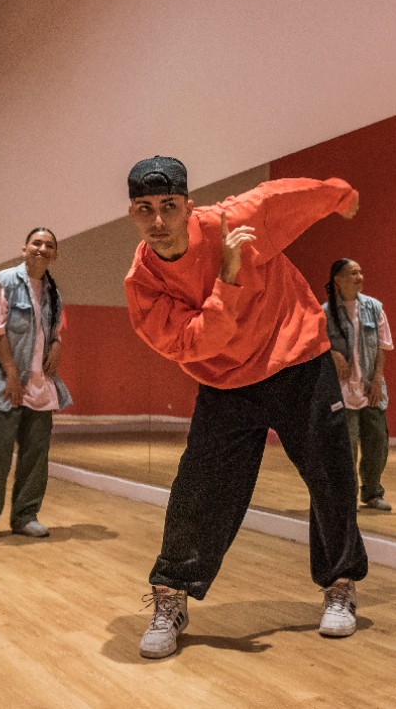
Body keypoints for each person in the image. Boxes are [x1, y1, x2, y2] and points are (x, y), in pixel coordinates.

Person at [124, 155, 368, 659]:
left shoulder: (233, 222)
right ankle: (171, 597)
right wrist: (228, 281)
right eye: (145, 209)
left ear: (188, 205)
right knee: (201, 487)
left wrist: (339, 193)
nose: (159, 222)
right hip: (225, 380)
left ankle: (340, 585)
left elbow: (285, 197)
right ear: (133, 213)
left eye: (169, 206)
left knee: (331, 472)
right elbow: (195, 344)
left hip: (297, 356)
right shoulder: (143, 282)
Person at [0, 228, 72, 541]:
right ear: (24, 247)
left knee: (35, 455)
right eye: (37, 243)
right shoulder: (5, 281)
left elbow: (53, 330)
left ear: (55, 253)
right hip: (3, 383)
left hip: (40, 387)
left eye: (49, 245)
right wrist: (12, 374)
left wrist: (56, 344)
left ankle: (25, 515)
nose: (42, 249)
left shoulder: (53, 289)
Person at [324, 258, 392, 512]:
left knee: (377, 445)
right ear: (338, 280)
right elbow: (314, 347)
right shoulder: (325, 312)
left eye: (360, 272)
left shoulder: (375, 308)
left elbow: (383, 348)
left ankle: (372, 493)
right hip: (342, 392)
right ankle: (344, 496)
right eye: (353, 273)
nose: (360, 276)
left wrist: (377, 380)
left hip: (370, 389)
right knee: (346, 448)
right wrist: (334, 353)